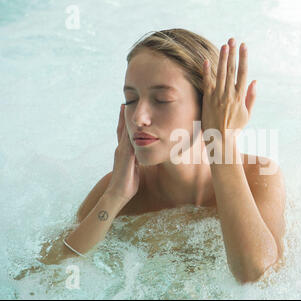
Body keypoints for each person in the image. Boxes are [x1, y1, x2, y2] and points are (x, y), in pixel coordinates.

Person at [44, 28, 286, 284]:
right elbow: (44, 274)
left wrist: (220, 139)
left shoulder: (258, 175)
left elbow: (257, 276)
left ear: (208, 106)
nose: (138, 117)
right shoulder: (119, 189)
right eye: (131, 99)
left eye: (161, 99)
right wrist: (114, 198)